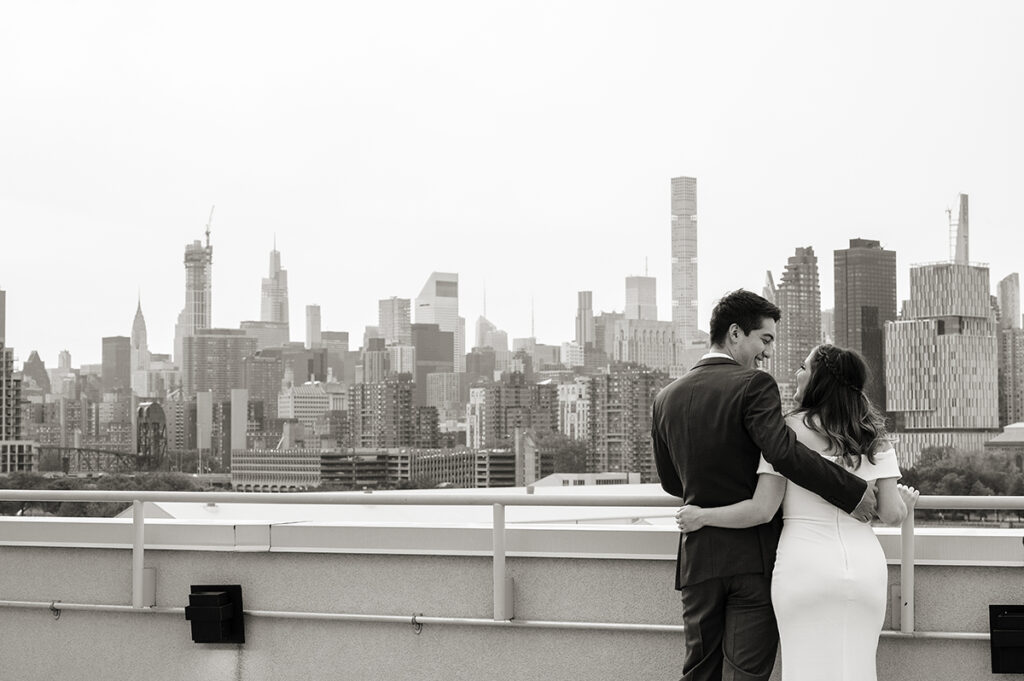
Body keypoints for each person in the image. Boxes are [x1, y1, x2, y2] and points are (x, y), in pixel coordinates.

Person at [652, 290, 876, 681]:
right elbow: (783, 452)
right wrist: (853, 491)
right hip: (753, 559)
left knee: (699, 671)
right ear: (735, 333)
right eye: (765, 339)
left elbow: (672, 482)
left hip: (698, 558)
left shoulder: (664, 398)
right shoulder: (754, 385)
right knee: (747, 674)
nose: (768, 353)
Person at [675, 343, 919, 681]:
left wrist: (703, 516)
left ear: (819, 379)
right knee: (858, 668)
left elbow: (761, 510)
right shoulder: (873, 434)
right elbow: (891, 514)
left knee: (804, 668)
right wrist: (906, 505)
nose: (797, 373)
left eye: (804, 367)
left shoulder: (786, 430)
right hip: (865, 569)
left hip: (803, 567)